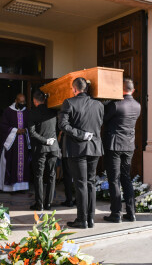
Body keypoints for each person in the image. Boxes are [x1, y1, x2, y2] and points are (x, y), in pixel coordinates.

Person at [58, 77, 104, 229]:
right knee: (90, 183)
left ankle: (82, 220)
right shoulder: (99, 105)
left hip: (77, 148)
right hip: (94, 147)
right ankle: (90, 219)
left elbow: (63, 125)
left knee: (81, 184)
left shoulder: (69, 102)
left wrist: (81, 134)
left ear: (74, 89)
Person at [102, 78, 141, 223]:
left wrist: (106, 102)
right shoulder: (138, 105)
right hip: (129, 146)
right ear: (133, 90)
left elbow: (104, 119)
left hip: (114, 145)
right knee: (126, 178)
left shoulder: (116, 105)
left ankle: (116, 213)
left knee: (114, 180)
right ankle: (131, 213)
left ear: (120, 89)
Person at [28, 90, 60, 211]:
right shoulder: (53, 111)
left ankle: (39, 204)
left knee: (39, 176)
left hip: (41, 148)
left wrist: (45, 140)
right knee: (52, 175)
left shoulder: (32, 113)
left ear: (35, 101)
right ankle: (49, 204)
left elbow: (32, 132)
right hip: (53, 147)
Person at [0, 93, 31, 192]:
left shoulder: (27, 112)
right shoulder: (8, 111)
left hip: (23, 143)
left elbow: (31, 125)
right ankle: (10, 188)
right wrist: (15, 131)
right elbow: (3, 126)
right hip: (12, 144)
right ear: (16, 101)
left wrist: (26, 130)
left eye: (23, 102)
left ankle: (22, 187)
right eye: (20, 101)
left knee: (23, 164)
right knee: (11, 163)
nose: (22, 103)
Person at [58, 130, 75, 207]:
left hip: (67, 148)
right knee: (77, 175)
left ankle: (69, 199)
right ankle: (77, 199)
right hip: (78, 148)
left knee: (67, 175)